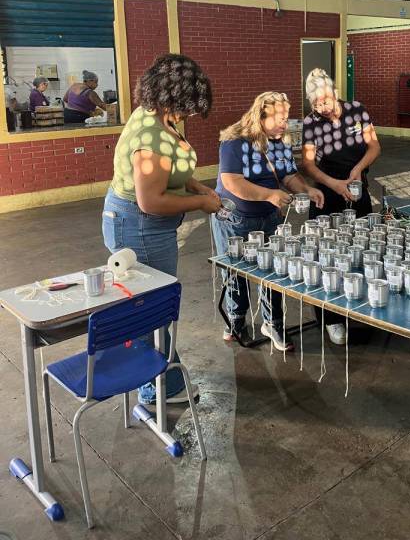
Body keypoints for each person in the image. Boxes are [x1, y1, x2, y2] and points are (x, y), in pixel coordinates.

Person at [102, 53, 221, 405]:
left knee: (154, 304)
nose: (188, 114)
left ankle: (161, 380)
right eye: (187, 106)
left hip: (145, 227)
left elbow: (171, 172)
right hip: (140, 228)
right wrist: (200, 204)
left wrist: (197, 187)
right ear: (172, 96)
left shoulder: (154, 113)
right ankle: (158, 389)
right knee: (151, 309)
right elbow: (151, 200)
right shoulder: (150, 137)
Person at [212, 91, 324, 351]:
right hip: (235, 219)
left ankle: (272, 322)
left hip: (269, 217)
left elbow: (288, 175)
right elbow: (232, 182)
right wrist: (269, 195)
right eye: (279, 118)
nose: (285, 123)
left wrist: (306, 190)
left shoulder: (280, 142)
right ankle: (236, 319)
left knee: (273, 270)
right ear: (260, 116)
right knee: (234, 271)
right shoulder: (234, 142)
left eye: (287, 117)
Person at [301, 68, 381, 345]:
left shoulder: (357, 110)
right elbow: (308, 164)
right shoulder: (311, 122)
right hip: (328, 193)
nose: (322, 108)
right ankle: (331, 320)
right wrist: (333, 184)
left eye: (325, 101)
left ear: (335, 93)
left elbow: (374, 147)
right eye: (316, 104)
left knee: (363, 249)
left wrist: (358, 169)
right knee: (328, 256)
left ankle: (360, 306)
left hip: (357, 189)